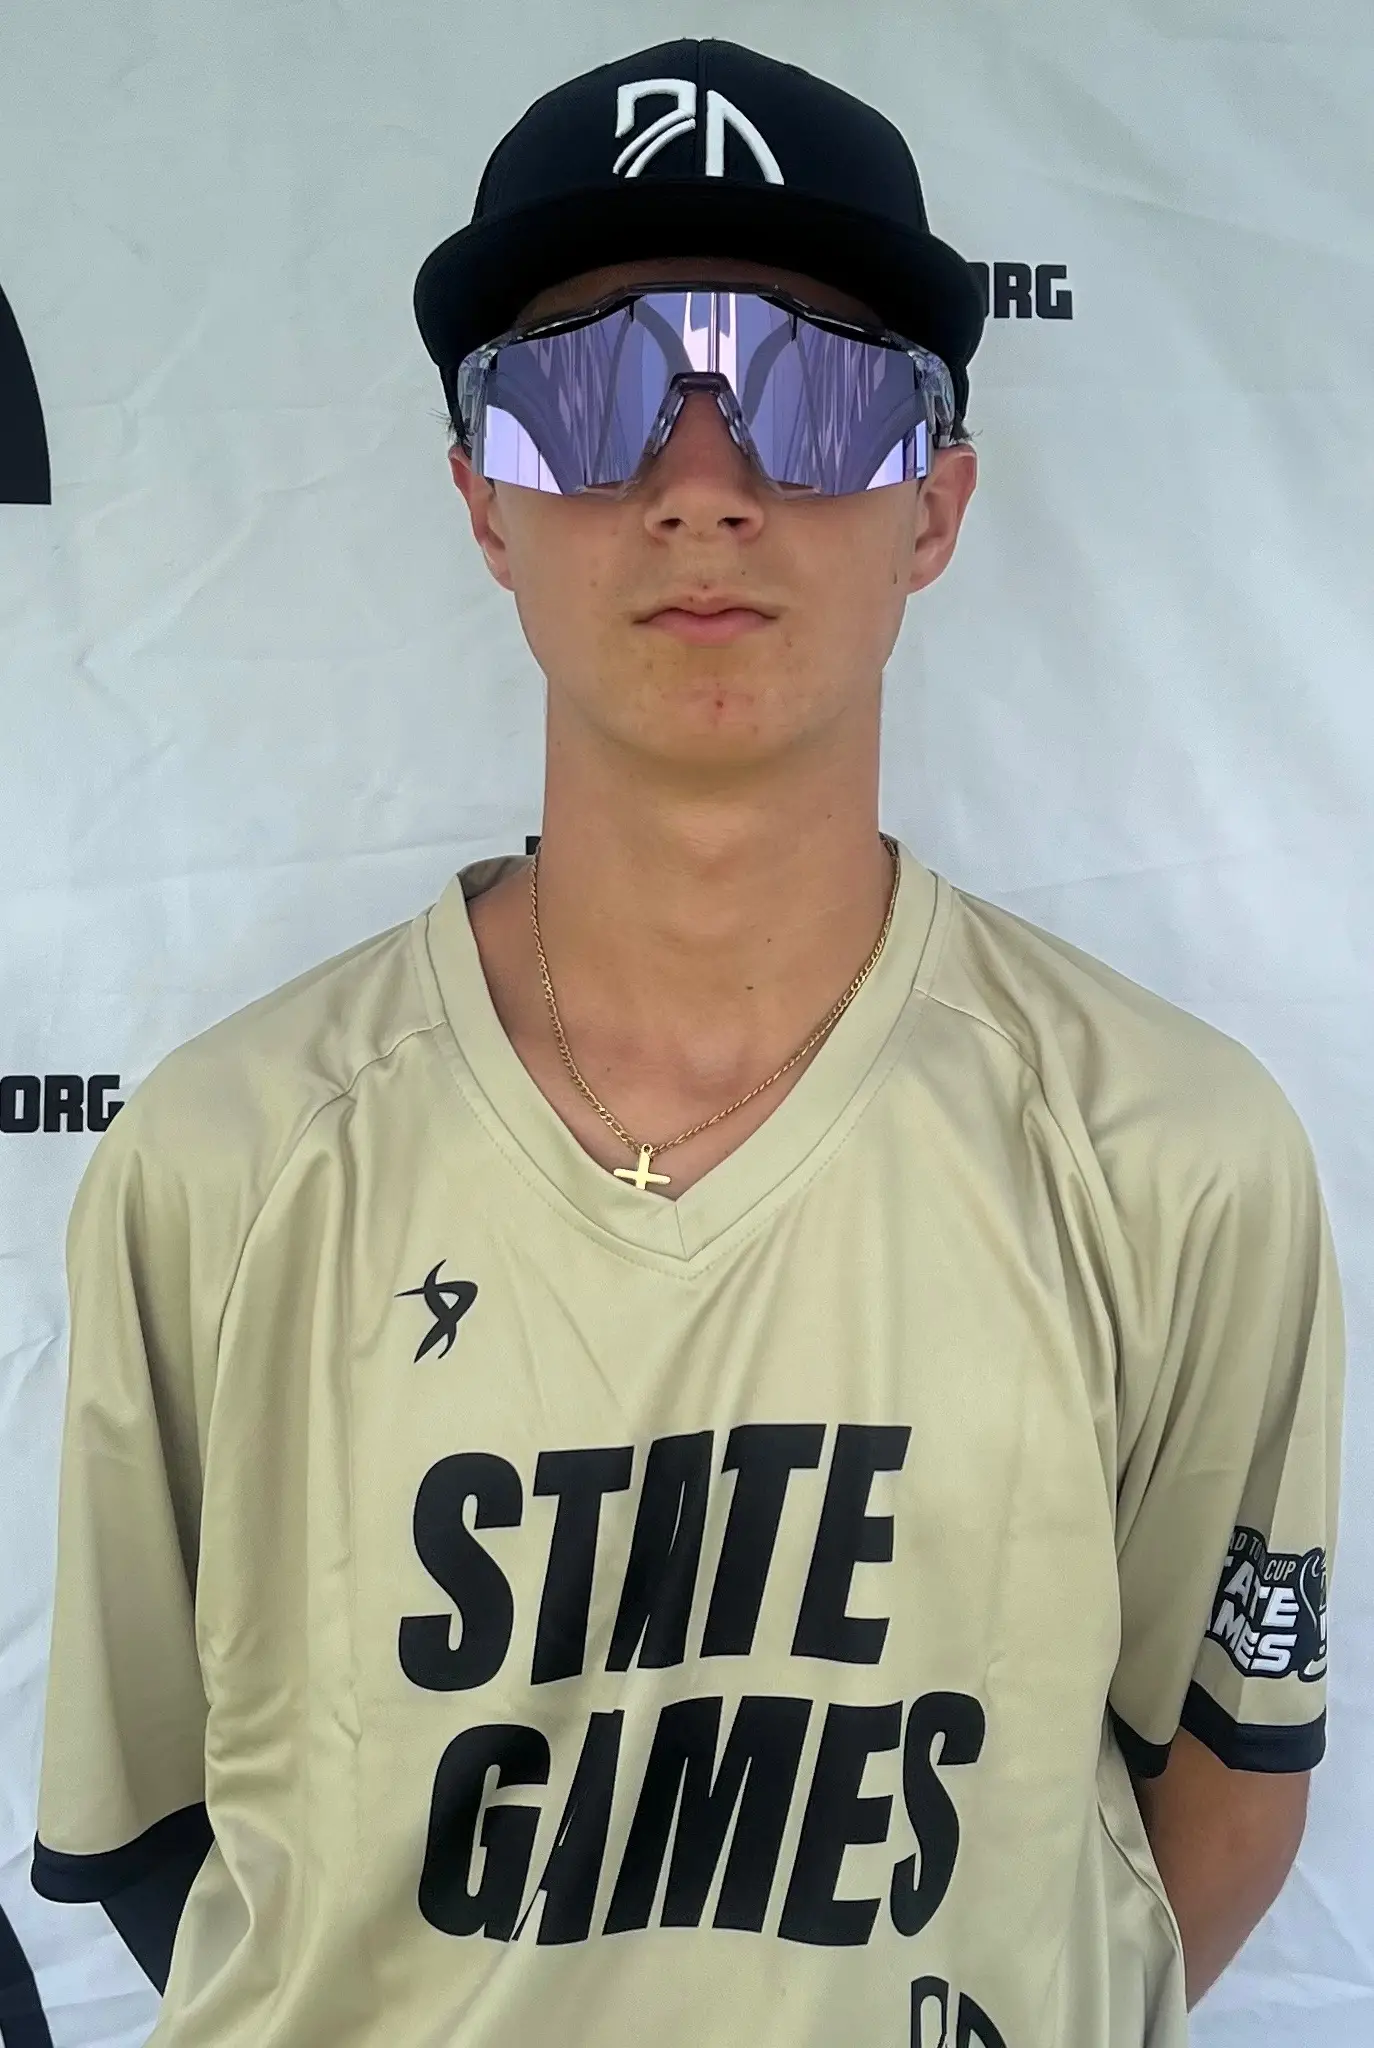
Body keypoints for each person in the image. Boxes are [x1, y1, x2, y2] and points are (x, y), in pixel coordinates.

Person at [30, 35, 1343, 2048]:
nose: (704, 483)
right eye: (586, 388)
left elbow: (1225, 1776)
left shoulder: (1172, 1154)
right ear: (483, 501)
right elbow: (161, 1837)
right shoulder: (225, 1157)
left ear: (935, 505)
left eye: (816, 391)